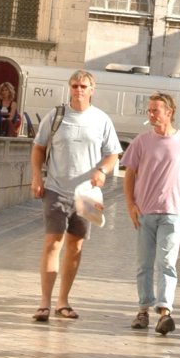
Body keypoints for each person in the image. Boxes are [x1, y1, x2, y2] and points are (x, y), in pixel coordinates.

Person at [30, 70, 120, 321]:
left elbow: (113, 154)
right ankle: (45, 303)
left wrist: (102, 170)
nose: (78, 90)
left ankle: (63, 301)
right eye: (74, 86)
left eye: (83, 86)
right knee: (53, 242)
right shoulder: (56, 116)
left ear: (92, 90)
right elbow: (38, 147)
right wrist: (37, 176)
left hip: (86, 194)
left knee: (75, 246)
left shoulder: (102, 120)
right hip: (56, 188)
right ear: (69, 88)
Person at [122, 92, 180, 335]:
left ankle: (165, 311)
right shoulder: (141, 141)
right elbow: (130, 173)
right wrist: (130, 204)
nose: (151, 115)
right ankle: (143, 308)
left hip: (173, 211)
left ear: (169, 112)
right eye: (150, 110)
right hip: (145, 210)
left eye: (156, 110)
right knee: (144, 263)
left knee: (166, 262)